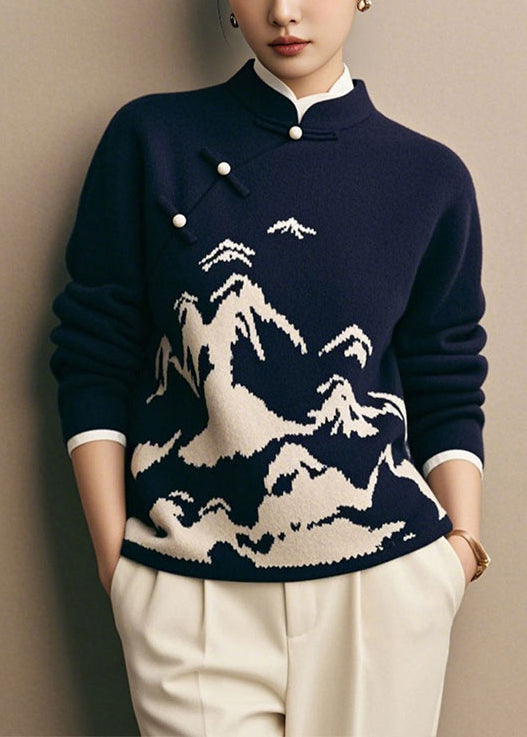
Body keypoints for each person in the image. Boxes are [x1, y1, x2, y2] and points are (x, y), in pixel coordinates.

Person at [48, 1, 492, 735]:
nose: (284, 12)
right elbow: (94, 352)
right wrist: (115, 562)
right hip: (188, 592)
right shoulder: (150, 139)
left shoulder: (428, 176)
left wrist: (459, 553)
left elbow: (446, 375)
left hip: (383, 594)